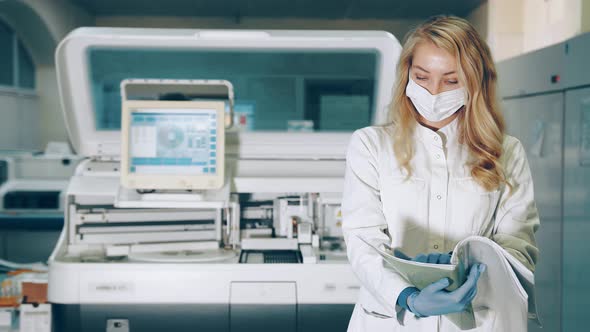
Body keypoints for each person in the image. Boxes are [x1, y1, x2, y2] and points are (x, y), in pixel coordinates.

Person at [342, 15, 540, 331]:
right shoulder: (370, 145)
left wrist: (469, 270)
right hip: (391, 320)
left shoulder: (507, 151)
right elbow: (363, 240)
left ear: (476, 83)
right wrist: (408, 295)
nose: (434, 92)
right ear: (407, 74)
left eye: (451, 81)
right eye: (422, 77)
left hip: (478, 319)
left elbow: (518, 246)